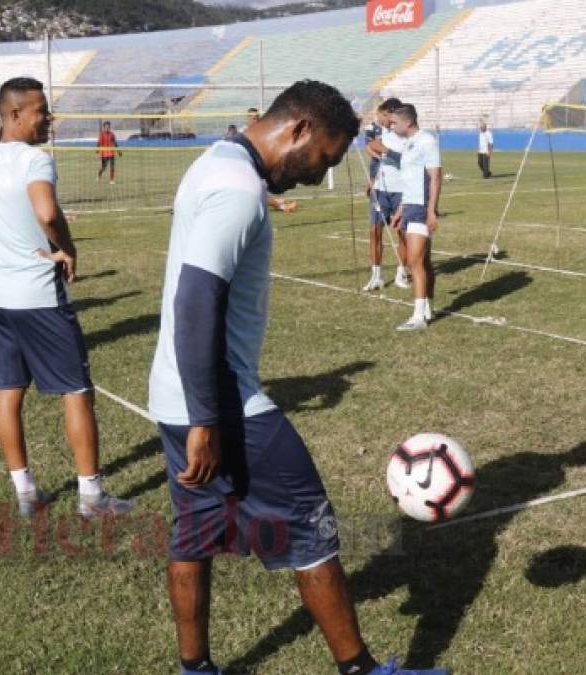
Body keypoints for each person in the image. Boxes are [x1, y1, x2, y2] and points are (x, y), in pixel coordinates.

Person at [148, 79, 422, 675]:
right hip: (221, 404)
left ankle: (194, 669)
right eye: (322, 157)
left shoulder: (216, 160)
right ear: (298, 129)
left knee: (193, 532)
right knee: (312, 527)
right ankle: (360, 670)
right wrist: (206, 419)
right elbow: (196, 302)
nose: (316, 174)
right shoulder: (237, 189)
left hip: (173, 393)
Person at [0, 77, 134, 519]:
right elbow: (46, 212)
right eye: (42, 110)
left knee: (8, 393)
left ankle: (25, 492)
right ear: (14, 114)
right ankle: (92, 496)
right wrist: (68, 249)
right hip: (40, 297)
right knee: (77, 391)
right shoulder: (35, 160)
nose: (49, 118)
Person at [386, 104, 442, 332]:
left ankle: (419, 317)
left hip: (421, 209)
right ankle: (426, 307)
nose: (391, 126)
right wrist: (400, 210)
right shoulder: (408, 144)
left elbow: (435, 178)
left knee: (415, 262)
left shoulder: (427, 141)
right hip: (409, 207)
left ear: (407, 122)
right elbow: (409, 181)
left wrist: (431, 211)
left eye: (394, 122)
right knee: (422, 262)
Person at [364, 98, 407, 292]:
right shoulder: (384, 131)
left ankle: (401, 273)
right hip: (380, 188)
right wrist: (372, 178)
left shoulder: (408, 133)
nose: (381, 120)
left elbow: (407, 160)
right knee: (374, 231)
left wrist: (386, 151)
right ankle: (376, 276)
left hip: (401, 189)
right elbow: (375, 150)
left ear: (391, 113)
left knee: (402, 233)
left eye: (383, 115)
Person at [243, 108, 298, 214]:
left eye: (258, 118)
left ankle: (278, 203)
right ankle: (283, 207)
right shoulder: (244, 133)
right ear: (248, 119)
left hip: (256, 165)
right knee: (258, 189)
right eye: (254, 118)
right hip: (245, 166)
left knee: (260, 188)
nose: (256, 120)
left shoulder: (260, 132)